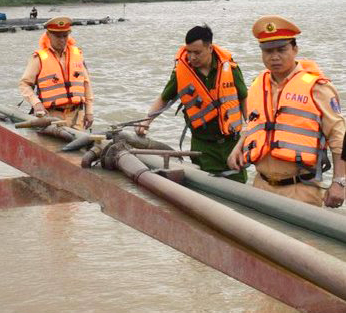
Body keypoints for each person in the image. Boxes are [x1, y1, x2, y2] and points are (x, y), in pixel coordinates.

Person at [227, 16, 345, 207]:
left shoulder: (318, 88)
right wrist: (238, 147)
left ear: (295, 49)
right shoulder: (259, 84)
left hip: (300, 190)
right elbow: (256, 123)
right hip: (261, 185)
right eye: (268, 51)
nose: (274, 57)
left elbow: (339, 138)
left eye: (282, 50)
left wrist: (340, 182)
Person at [136, 24, 248, 182]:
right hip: (203, 144)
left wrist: (249, 128)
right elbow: (164, 98)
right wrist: (147, 120)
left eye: (197, 52)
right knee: (208, 188)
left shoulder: (229, 68)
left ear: (210, 48)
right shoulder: (182, 72)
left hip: (232, 143)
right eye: (188, 52)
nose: (192, 57)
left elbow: (243, 97)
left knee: (239, 186)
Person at [19, 16, 93, 130]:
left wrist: (89, 112)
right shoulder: (39, 58)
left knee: (80, 146)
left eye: (65, 36)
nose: (62, 40)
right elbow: (24, 84)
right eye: (58, 36)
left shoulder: (77, 54)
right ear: (48, 35)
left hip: (77, 115)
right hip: (51, 116)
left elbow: (86, 84)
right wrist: (36, 104)